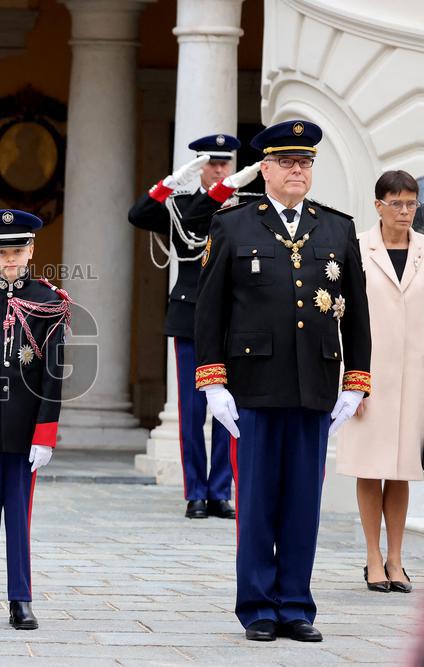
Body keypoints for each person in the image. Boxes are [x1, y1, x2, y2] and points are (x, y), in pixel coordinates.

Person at [195, 119, 371, 642]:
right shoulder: (234, 225)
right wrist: (213, 382)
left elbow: (357, 312)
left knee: (302, 502)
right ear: (265, 168)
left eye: (306, 163)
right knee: (256, 501)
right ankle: (257, 607)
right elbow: (210, 311)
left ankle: (295, 604)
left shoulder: (337, 228)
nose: (298, 171)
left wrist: (356, 380)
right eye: (288, 162)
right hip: (253, 384)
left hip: (315, 383)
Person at [128, 135, 261, 519]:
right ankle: (195, 491)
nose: (220, 170)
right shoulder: (181, 206)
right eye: (212, 164)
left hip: (235, 318)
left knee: (228, 408)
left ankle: (220, 490)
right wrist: (169, 183)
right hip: (191, 314)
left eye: (225, 164)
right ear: (200, 168)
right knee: (191, 408)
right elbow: (138, 216)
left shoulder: (245, 205)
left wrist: (231, 191)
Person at [0, 209, 72, 631]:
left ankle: (21, 599)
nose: (10, 259)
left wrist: (46, 434)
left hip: (25, 427)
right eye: (1, 251)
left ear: (32, 249)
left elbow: (53, 374)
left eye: (17, 250)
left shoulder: (49, 300)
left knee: (19, 516)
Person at [337, 170, 424, 594]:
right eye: (398, 203)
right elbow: (344, 320)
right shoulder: (356, 251)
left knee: (403, 469)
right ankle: (372, 558)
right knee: (370, 468)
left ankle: (396, 559)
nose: (406, 211)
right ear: (378, 205)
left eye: (412, 203)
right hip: (368, 373)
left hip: (415, 378)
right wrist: (353, 380)